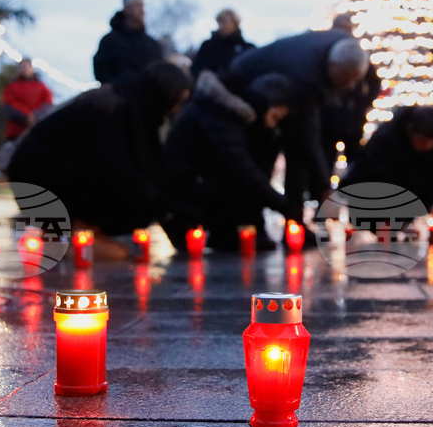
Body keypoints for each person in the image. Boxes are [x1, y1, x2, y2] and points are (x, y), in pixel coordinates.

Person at [6, 62, 199, 242]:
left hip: (46, 174)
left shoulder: (136, 110)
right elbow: (116, 168)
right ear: (164, 93)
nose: (177, 109)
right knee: (125, 190)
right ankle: (79, 233)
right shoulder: (113, 108)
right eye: (177, 100)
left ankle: (77, 232)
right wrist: (162, 206)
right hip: (38, 178)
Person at [225, 30, 370, 229]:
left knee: (298, 154)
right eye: (346, 79)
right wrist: (325, 188)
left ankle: (294, 221)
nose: (350, 86)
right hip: (248, 87)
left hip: (278, 89)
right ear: (332, 66)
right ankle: (255, 222)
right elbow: (307, 136)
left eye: (355, 80)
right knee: (269, 155)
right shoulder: (307, 75)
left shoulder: (345, 48)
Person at [163, 72, 294, 251]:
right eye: (275, 117)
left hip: (193, 182)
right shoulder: (221, 117)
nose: (272, 125)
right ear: (265, 104)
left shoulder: (223, 113)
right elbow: (240, 168)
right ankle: (224, 234)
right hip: (187, 189)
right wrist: (283, 206)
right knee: (238, 184)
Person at [340, 105, 433, 218]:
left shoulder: (432, 146)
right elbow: (377, 178)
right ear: (411, 131)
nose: (426, 146)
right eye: (422, 141)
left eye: (430, 142)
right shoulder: (385, 139)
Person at [321, 13, 382, 167]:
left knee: (354, 161)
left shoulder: (357, 53)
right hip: (330, 116)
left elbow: (374, 81)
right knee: (327, 159)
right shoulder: (327, 51)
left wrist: (363, 102)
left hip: (352, 115)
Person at [93, 0, 163, 88]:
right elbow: (102, 72)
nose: (143, 10)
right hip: (116, 98)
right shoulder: (109, 42)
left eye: (143, 5)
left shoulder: (152, 45)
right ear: (127, 8)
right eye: (138, 5)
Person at [190, 8, 255, 80]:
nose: (221, 26)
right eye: (219, 22)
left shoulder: (247, 48)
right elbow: (196, 70)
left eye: (224, 22)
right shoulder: (208, 46)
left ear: (235, 23)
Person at [1, 59, 53, 141]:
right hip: (16, 132)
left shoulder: (42, 87)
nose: (24, 69)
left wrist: (35, 117)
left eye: (27, 66)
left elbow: (48, 104)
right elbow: (8, 106)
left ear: (32, 68)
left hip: (37, 131)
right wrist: (26, 116)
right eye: (22, 67)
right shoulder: (12, 86)